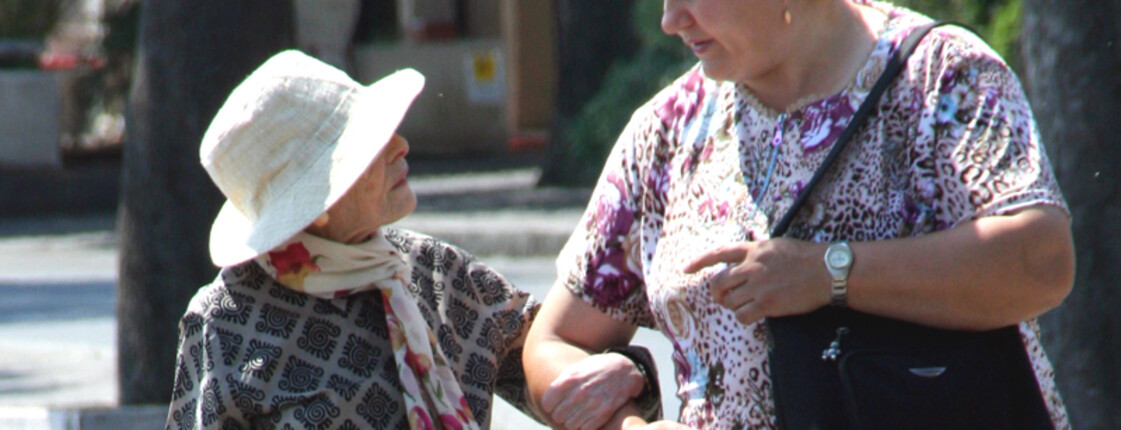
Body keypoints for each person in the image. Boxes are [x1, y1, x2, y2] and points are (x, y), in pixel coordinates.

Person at [523, 1, 1075, 429]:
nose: (671, 19)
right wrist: (629, 423)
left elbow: (1041, 261)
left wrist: (830, 273)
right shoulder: (666, 132)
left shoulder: (941, 78)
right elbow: (552, 343)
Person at [164, 50, 657, 429]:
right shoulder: (224, 323)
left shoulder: (438, 274)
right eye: (369, 147)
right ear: (315, 209)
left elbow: (555, 369)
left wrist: (621, 375)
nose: (400, 145)